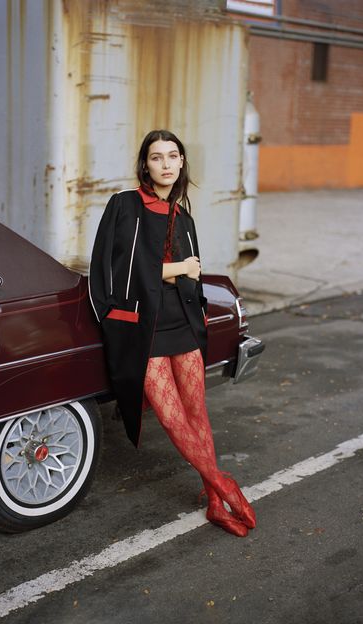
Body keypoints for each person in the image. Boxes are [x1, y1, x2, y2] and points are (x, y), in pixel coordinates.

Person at [89, 129, 256, 537]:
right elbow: (117, 273)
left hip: (181, 323)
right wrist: (180, 269)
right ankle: (222, 483)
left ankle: (215, 503)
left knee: (197, 412)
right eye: (156, 157)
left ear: (181, 163)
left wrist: (188, 282)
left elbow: (191, 283)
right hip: (144, 327)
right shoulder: (125, 206)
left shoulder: (185, 219)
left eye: (172, 156)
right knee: (172, 417)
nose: (165, 164)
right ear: (144, 165)